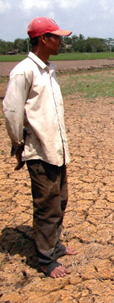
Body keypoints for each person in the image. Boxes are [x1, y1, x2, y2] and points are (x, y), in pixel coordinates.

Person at [3, 17, 77, 278]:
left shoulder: (48, 70)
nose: (61, 41)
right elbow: (12, 111)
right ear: (43, 39)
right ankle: (45, 259)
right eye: (57, 37)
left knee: (60, 200)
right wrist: (19, 144)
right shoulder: (25, 71)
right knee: (46, 205)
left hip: (57, 149)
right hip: (39, 150)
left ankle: (54, 245)